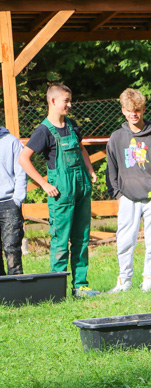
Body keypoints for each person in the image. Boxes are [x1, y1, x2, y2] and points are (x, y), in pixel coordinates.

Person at [19, 84, 99, 297]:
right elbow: (23, 158)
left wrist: (90, 170)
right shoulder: (44, 130)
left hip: (81, 188)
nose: (70, 105)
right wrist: (44, 184)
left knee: (81, 238)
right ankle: (58, 289)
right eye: (66, 101)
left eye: (70, 100)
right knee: (61, 240)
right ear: (53, 101)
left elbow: (81, 148)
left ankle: (80, 285)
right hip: (61, 193)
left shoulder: (72, 125)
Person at [105, 88, 151, 293]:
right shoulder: (117, 138)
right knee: (125, 241)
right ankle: (124, 281)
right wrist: (117, 193)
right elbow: (112, 167)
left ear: (143, 109)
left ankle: (149, 279)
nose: (133, 114)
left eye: (137, 110)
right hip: (128, 198)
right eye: (129, 110)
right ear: (123, 111)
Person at [0, 126, 27, 275]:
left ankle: (17, 290)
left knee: (12, 248)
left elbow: (21, 172)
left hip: (9, 203)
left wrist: (17, 199)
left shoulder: (12, 142)